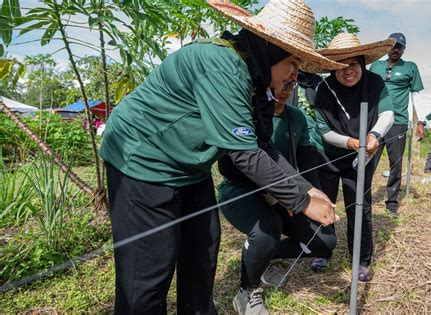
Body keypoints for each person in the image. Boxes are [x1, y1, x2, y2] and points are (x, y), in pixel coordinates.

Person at [99, 0, 344, 313]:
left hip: (190, 166)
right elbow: (244, 153)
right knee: (148, 271)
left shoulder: (254, 80)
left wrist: (305, 188)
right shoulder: (222, 64)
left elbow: (261, 144)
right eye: (294, 62)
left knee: (203, 249)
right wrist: (302, 201)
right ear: (272, 47)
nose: (296, 74)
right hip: (143, 160)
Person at [218, 81, 337, 315]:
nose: (284, 90)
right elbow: (232, 166)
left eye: (290, 84)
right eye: (278, 84)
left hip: (286, 191)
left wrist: (314, 192)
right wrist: (276, 194)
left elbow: (306, 160)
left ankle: (265, 257)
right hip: (239, 190)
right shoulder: (246, 115)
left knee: (325, 241)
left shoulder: (297, 118)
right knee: (269, 226)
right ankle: (247, 292)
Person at [311, 33, 395, 281]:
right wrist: (352, 142)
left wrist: (374, 135)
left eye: (354, 64)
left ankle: (361, 258)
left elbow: (388, 113)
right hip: (328, 155)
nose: (348, 71)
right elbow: (324, 131)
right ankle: (322, 251)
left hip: (361, 157)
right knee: (323, 204)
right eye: (341, 65)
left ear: (362, 62)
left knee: (359, 206)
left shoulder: (375, 83)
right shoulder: (324, 89)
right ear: (333, 68)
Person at [369, 32, 424, 216]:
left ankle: (391, 202)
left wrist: (421, 122)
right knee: (369, 159)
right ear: (387, 46)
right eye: (392, 45)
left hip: (398, 122)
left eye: (399, 46)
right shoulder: (376, 66)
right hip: (375, 122)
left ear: (403, 49)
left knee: (395, 164)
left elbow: (416, 95)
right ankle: (363, 197)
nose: (395, 49)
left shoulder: (410, 67)